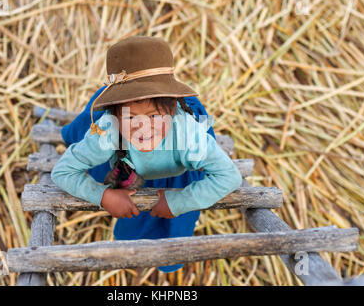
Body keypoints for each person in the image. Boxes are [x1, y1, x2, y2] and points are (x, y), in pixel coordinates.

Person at [51, 36, 243, 273]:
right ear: (115, 115)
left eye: (154, 116)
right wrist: (103, 196)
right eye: (131, 117)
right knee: (81, 136)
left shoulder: (188, 135)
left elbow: (229, 177)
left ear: (172, 110)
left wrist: (177, 201)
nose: (144, 127)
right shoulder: (108, 130)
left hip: (175, 161)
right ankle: (75, 131)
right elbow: (62, 171)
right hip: (125, 156)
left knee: (174, 232)